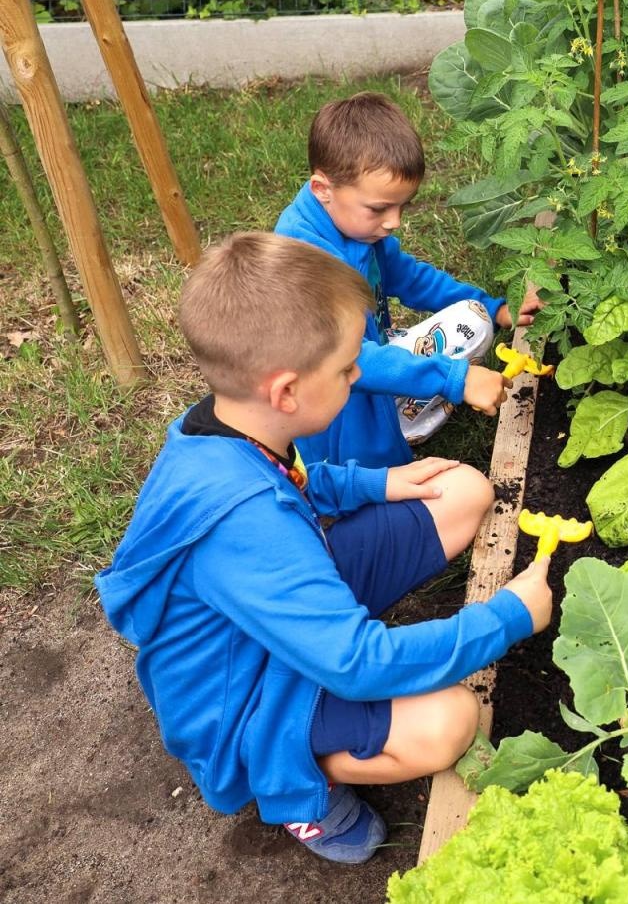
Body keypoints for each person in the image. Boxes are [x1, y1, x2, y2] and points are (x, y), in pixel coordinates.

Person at [96, 233, 555, 864]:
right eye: (346, 369)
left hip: (278, 608)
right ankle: (292, 786)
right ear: (287, 391)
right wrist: (506, 616)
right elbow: (356, 662)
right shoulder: (244, 525)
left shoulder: (228, 424)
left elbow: (295, 482)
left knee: (463, 491)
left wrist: (381, 481)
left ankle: (331, 683)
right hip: (247, 696)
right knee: (452, 721)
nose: (359, 375)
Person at [275, 91, 542, 467]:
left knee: (474, 318)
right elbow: (348, 362)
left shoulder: (361, 231)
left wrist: (498, 308)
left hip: (368, 356)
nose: (395, 222)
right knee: (366, 426)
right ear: (323, 190)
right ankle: (388, 439)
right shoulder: (302, 259)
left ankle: (400, 412)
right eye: (380, 208)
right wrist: (457, 380)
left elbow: (414, 279)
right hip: (331, 401)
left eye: (403, 205)